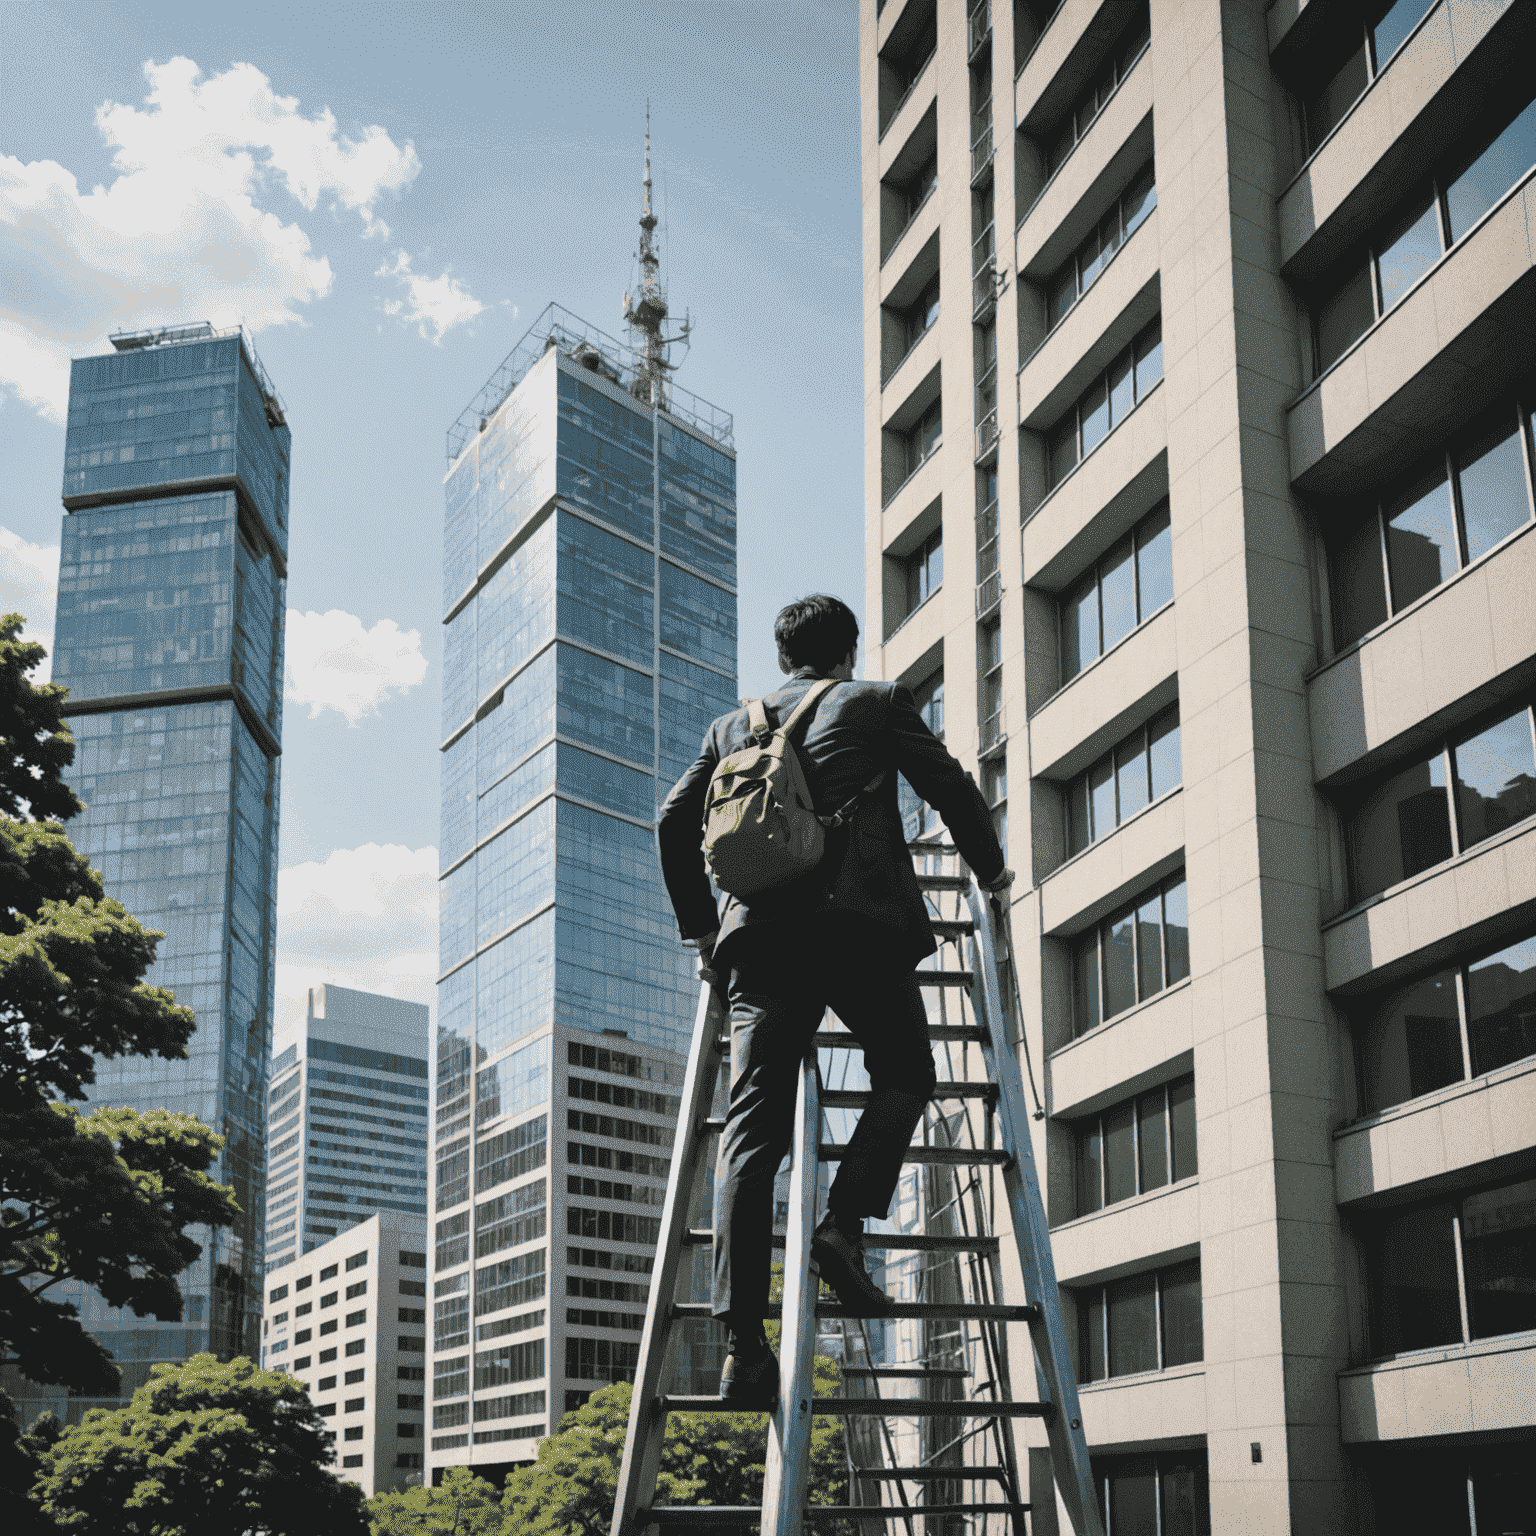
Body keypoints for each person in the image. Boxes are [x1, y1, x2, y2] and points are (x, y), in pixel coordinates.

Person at [657, 594, 1012, 1407]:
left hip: (761, 945)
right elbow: (951, 789)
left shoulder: (729, 728)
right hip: (860, 929)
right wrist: (991, 874)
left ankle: (743, 1349)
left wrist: (702, 935)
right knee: (905, 1071)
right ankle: (844, 1225)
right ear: (846, 650)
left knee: (751, 1136)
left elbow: (674, 821)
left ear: (785, 658)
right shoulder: (875, 702)